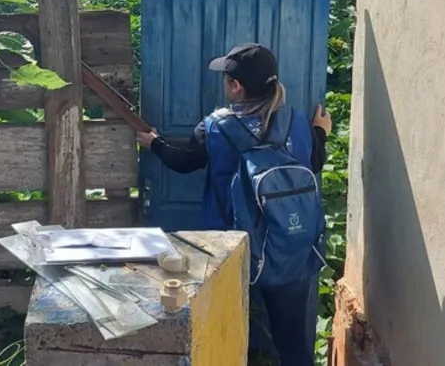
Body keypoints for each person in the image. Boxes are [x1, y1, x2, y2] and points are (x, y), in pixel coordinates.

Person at [136, 43, 332, 366]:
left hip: (231, 250)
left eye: (226, 79)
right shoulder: (296, 122)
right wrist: (320, 133)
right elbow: (313, 162)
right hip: (289, 249)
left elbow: (184, 162)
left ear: (236, 87)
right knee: (294, 347)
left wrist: (154, 143)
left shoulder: (215, 127)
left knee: (221, 339)